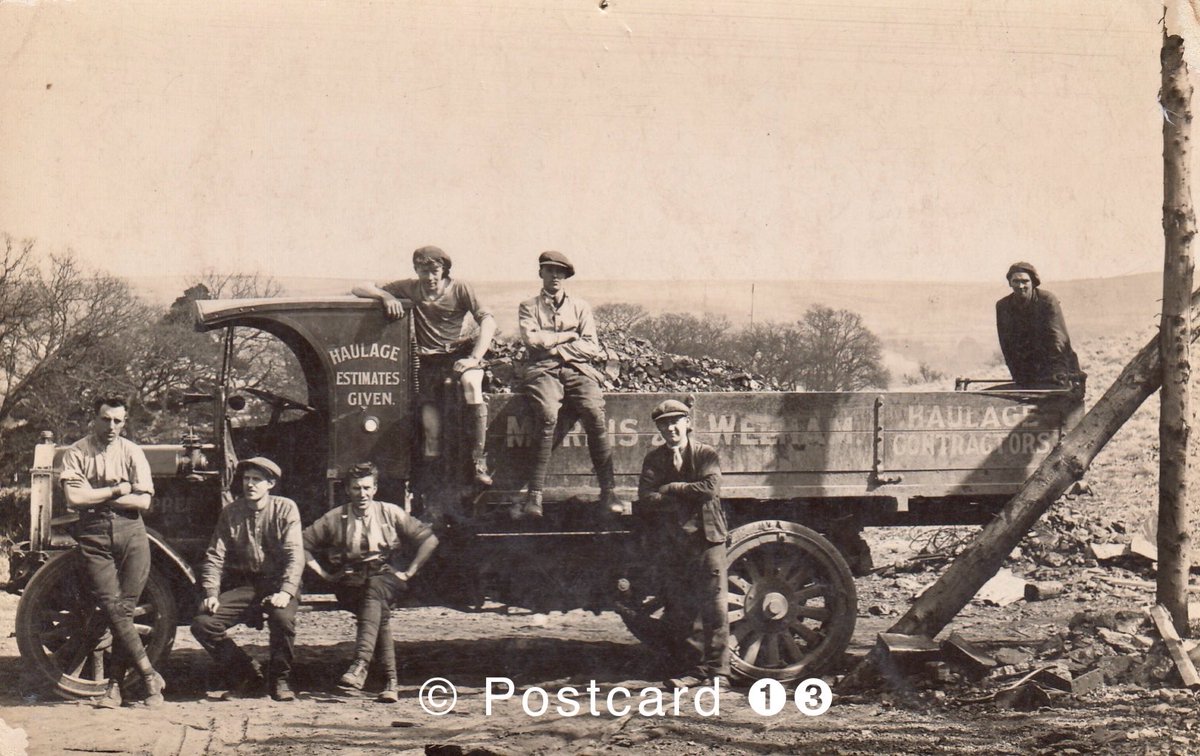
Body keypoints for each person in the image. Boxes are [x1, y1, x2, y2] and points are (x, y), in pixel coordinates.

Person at [353, 246, 498, 487]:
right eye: (423, 271)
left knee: (473, 383)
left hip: (457, 357)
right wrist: (386, 296)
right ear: (416, 270)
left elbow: (488, 321)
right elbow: (359, 287)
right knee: (431, 433)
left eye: (434, 271)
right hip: (429, 365)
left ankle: (478, 461)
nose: (429, 277)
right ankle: (431, 495)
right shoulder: (410, 287)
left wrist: (474, 358)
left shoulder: (460, 288)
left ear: (444, 270)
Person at [60, 396, 166, 708]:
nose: (112, 426)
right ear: (94, 419)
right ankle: (148, 675)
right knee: (110, 605)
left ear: (125, 421)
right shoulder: (77, 452)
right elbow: (74, 500)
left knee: (124, 612)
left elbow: (143, 502)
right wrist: (118, 490)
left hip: (132, 533)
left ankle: (114, 688)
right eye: (106, 419)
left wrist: (97, 496)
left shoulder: (132, 451)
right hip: (93, 536)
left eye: (118, 421)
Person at [302, 462, 439, 703]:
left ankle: (360, 664)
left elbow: (429, 540)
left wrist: (408, 572)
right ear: (347, 490)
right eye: (356, 488)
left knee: (374, 591)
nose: (362, 494)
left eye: (367, 488)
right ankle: (390, 681)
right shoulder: (335, 518)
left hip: (387, 576)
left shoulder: (390, 512)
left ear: (375, 488)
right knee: (376, 608)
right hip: (351, 580)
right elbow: (300, 544)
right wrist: (324, 575)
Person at [511, 250, 625, 519]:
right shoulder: (528, 306)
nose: (555, 276)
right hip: (542, 371)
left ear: (566, 277)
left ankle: (609, 491)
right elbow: (532, 341)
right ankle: (534, 495)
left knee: (594, 412)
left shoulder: (580, 307)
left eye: (560, 272)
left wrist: (557, 349)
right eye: (550, 270)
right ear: (541, 273)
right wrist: (569, 335)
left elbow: (591, 347)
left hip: (577, 369)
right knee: (548, 415)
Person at [191, 457, 304, 702]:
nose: (250, 485)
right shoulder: (231, 512)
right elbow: (215, 555)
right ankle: (247, 675)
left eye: (257, 480)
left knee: (282, 618)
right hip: (248, 584)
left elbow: (295, 555)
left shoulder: (285, 508)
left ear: (270, 484)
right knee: (203, 623)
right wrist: (211, 593)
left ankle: (280, 679)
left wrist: (286, 592)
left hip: (279, 582)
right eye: (246, 479)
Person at [636, 399, 729, 688]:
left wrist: (672, 488)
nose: (670, 428)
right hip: (675, 541)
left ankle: (719, 673)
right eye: (664, 424)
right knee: (682, 606)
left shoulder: (705, 454)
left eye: (676, 421)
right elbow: (646, 498)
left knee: (714, 606)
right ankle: (695, 670)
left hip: (707, 537)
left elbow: (709, 488)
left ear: (688, 423)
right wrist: (677, 496)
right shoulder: (654, 459)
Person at [995, 261, 1081, 389]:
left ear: (1033, 282)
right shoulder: (1003, 306)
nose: (1020, 286)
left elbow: (1057, 339)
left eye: (1025, 281)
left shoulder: (1047, 301)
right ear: (1010, 283)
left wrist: (1058, 372)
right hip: (1026, 370)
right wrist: (1016, 373)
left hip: (1058, 367)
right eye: (1016, 281)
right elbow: (1006, 343)